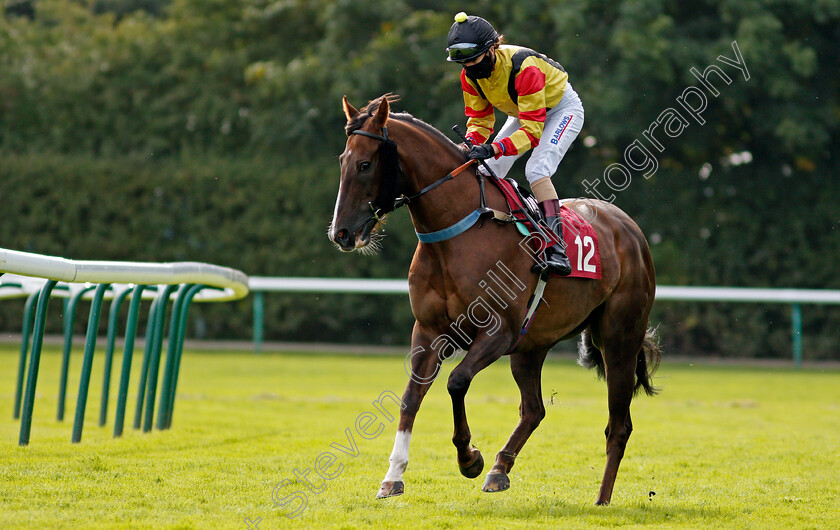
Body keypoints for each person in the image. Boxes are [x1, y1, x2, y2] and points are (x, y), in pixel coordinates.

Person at [447, 12, 584, 276]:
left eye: (473, 59)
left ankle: (557, 248)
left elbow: (532, 132)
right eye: (463, 63)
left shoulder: (525, 67)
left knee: (537, 169)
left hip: (560, 110)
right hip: (523, 112)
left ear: (491, 49)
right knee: (486, 170)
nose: (470, 67)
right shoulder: (469, 75)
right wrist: (472, 144)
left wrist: (494, 148)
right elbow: (480, 119)